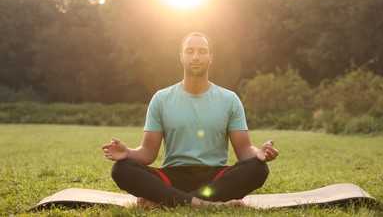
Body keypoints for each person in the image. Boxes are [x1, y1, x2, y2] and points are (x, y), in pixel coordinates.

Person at [102, 32, 279, 207]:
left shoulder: (229, 99)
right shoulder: (161, 99)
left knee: (258, 168)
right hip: (172, 178)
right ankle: (204, 204)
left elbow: (244, 150)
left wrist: (258, 153)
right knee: (121, 169)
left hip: (215, 180)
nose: (195, 57)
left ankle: (169, 203)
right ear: (181, 56)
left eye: (202, 51)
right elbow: (148, 151)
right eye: (189, 51)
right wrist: (128, 153)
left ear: (211, 58)